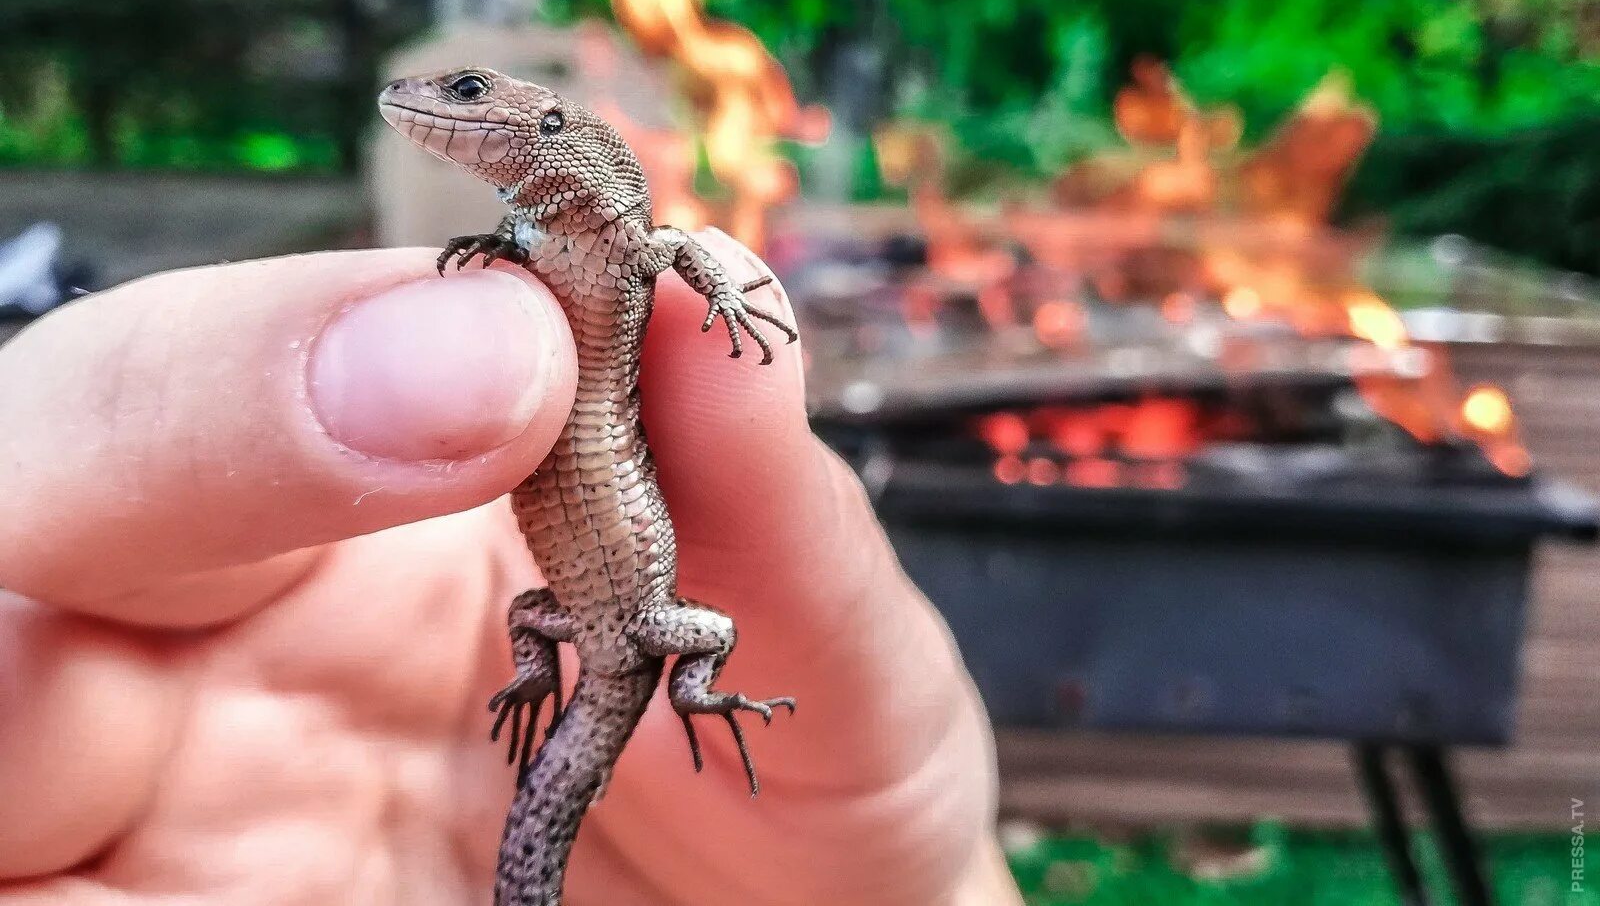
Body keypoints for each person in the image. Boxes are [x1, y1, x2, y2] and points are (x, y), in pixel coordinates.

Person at [0, 232, 1023, 905]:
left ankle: (695, 692)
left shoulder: (627, 240)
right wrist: (536, 665)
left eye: (472, 97)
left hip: (626, 619)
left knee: (696, 636)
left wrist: (692, 695)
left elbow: (680, 252)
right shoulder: (531, 243)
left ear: (546, 131)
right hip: (577, 604)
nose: (445, 111)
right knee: (554, 707)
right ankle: (586, 693)